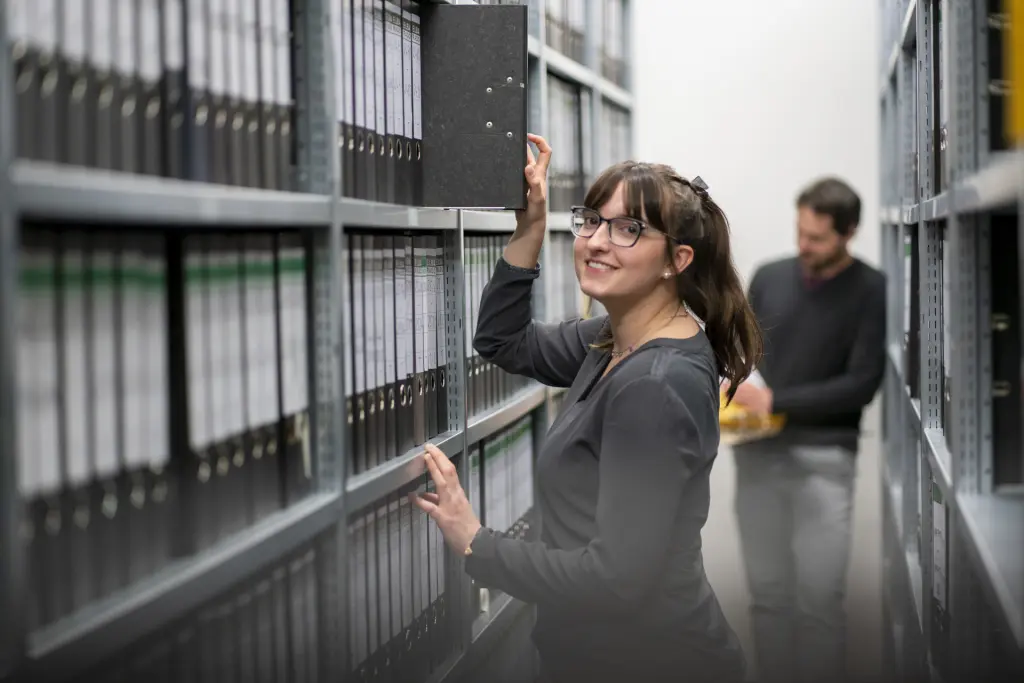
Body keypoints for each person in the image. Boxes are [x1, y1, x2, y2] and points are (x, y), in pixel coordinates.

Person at [411, 132, 763, 683]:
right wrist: (530, 228)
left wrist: (477, 544)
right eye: (592, 221)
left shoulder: (656, 385)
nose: (597, 241)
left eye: (628, 229)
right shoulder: (614, 340)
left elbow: (616, 580)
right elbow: (503, 341)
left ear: (677, 260)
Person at [725, 177, 886, 683]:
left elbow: (862, 384)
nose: (804, 245)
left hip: (826, 460)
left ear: (848, 232)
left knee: (820, 602)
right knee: (767, 597)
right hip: (756, 454)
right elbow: (742, 349)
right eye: (800, 232)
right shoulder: (770, 276)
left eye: (816, 238)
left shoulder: (873, 289)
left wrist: (778, 401)